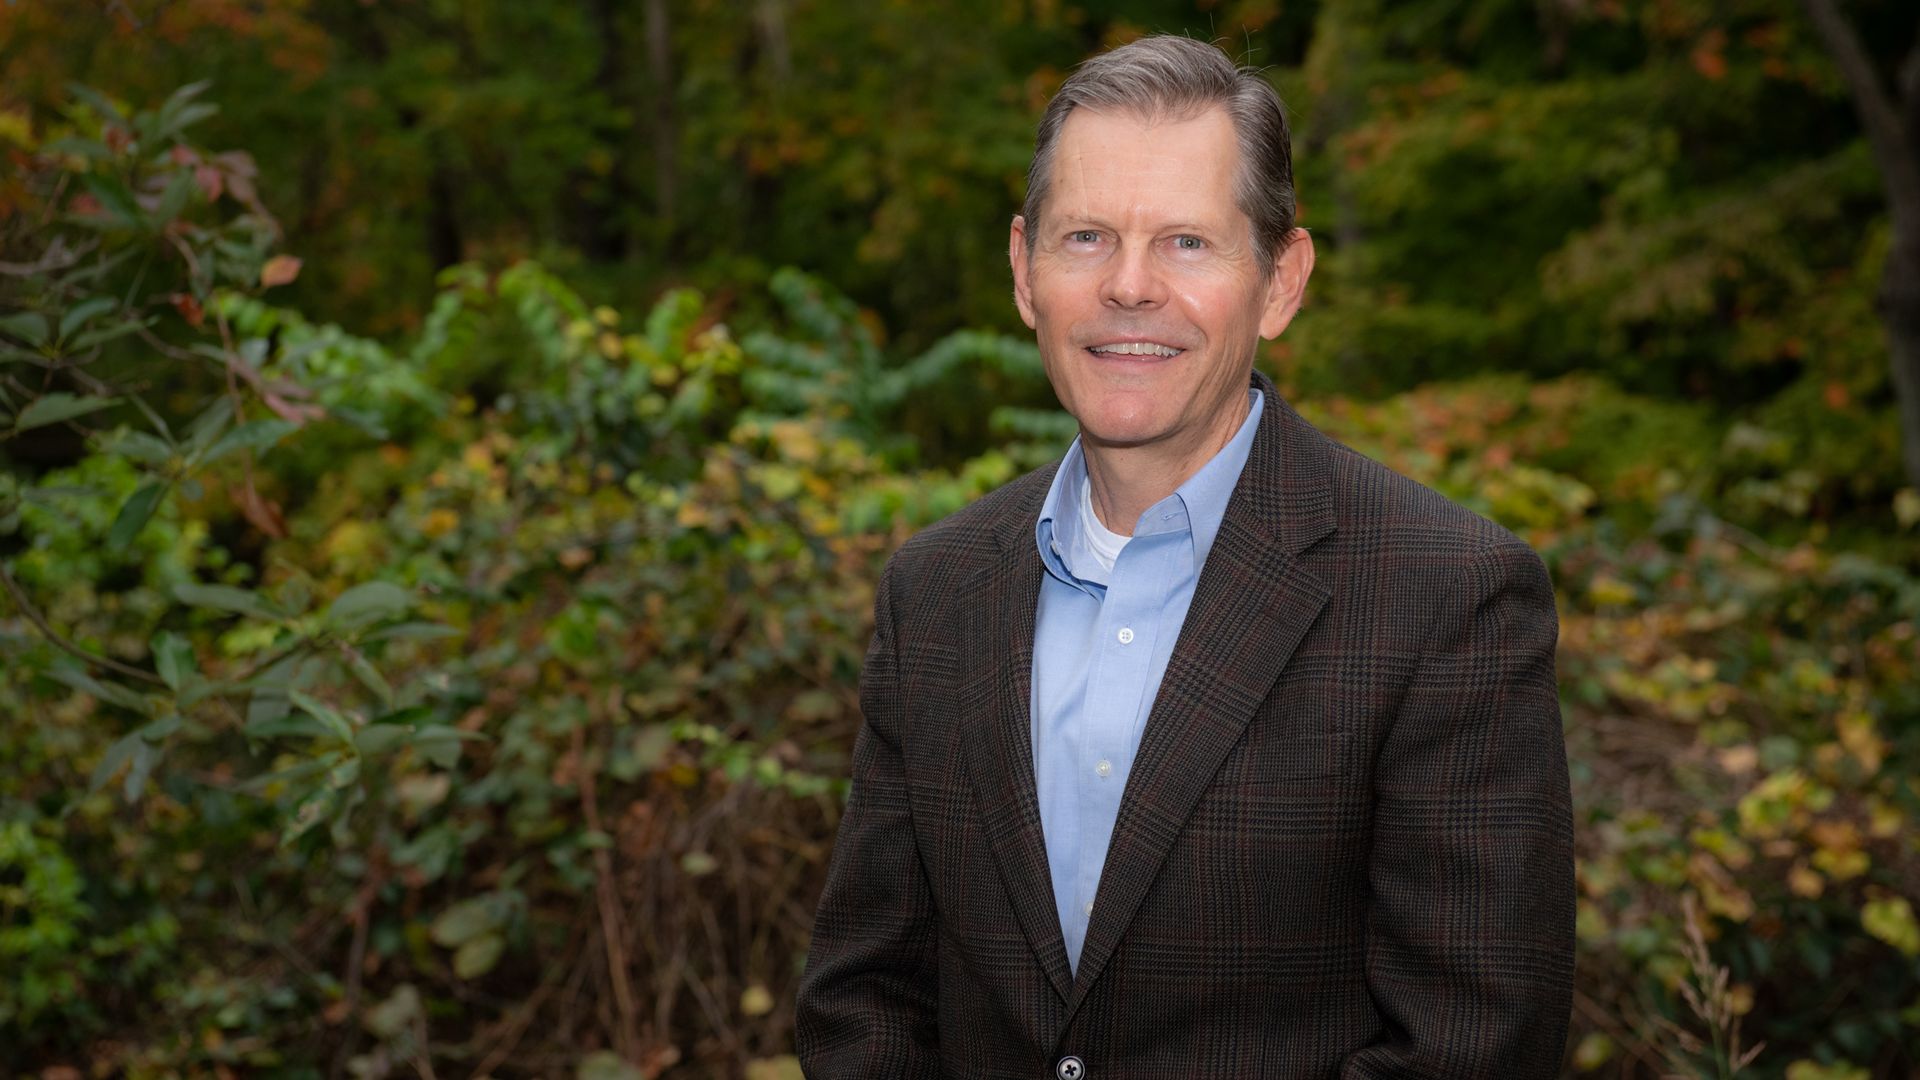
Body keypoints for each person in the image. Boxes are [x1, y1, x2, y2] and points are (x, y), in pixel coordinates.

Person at [795, 33, 1574, 1079]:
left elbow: (1472, 1051)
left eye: (1188, 243)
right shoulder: (935, 591)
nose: (1129, 286)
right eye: (1086, 238)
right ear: (1025, 271)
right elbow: (865, 1001)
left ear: (1281, 281)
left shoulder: (1448, 597)